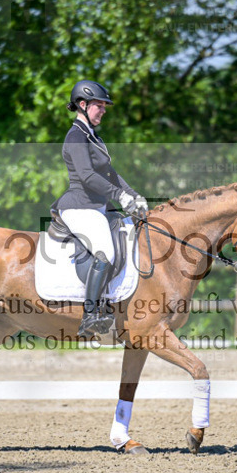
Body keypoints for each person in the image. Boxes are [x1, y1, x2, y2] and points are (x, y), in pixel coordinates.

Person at [52, 79, 148, 337]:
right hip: (79, 207)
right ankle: (90, 315)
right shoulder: (75, 136)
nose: (103, 110)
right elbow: (86, 176)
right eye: (99, 105)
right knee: (105, 251)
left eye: (105, 106)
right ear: (82, 105)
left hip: (97, 208)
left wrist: (133, 195)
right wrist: (119, 196)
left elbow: (110, 174)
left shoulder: (94, 137)